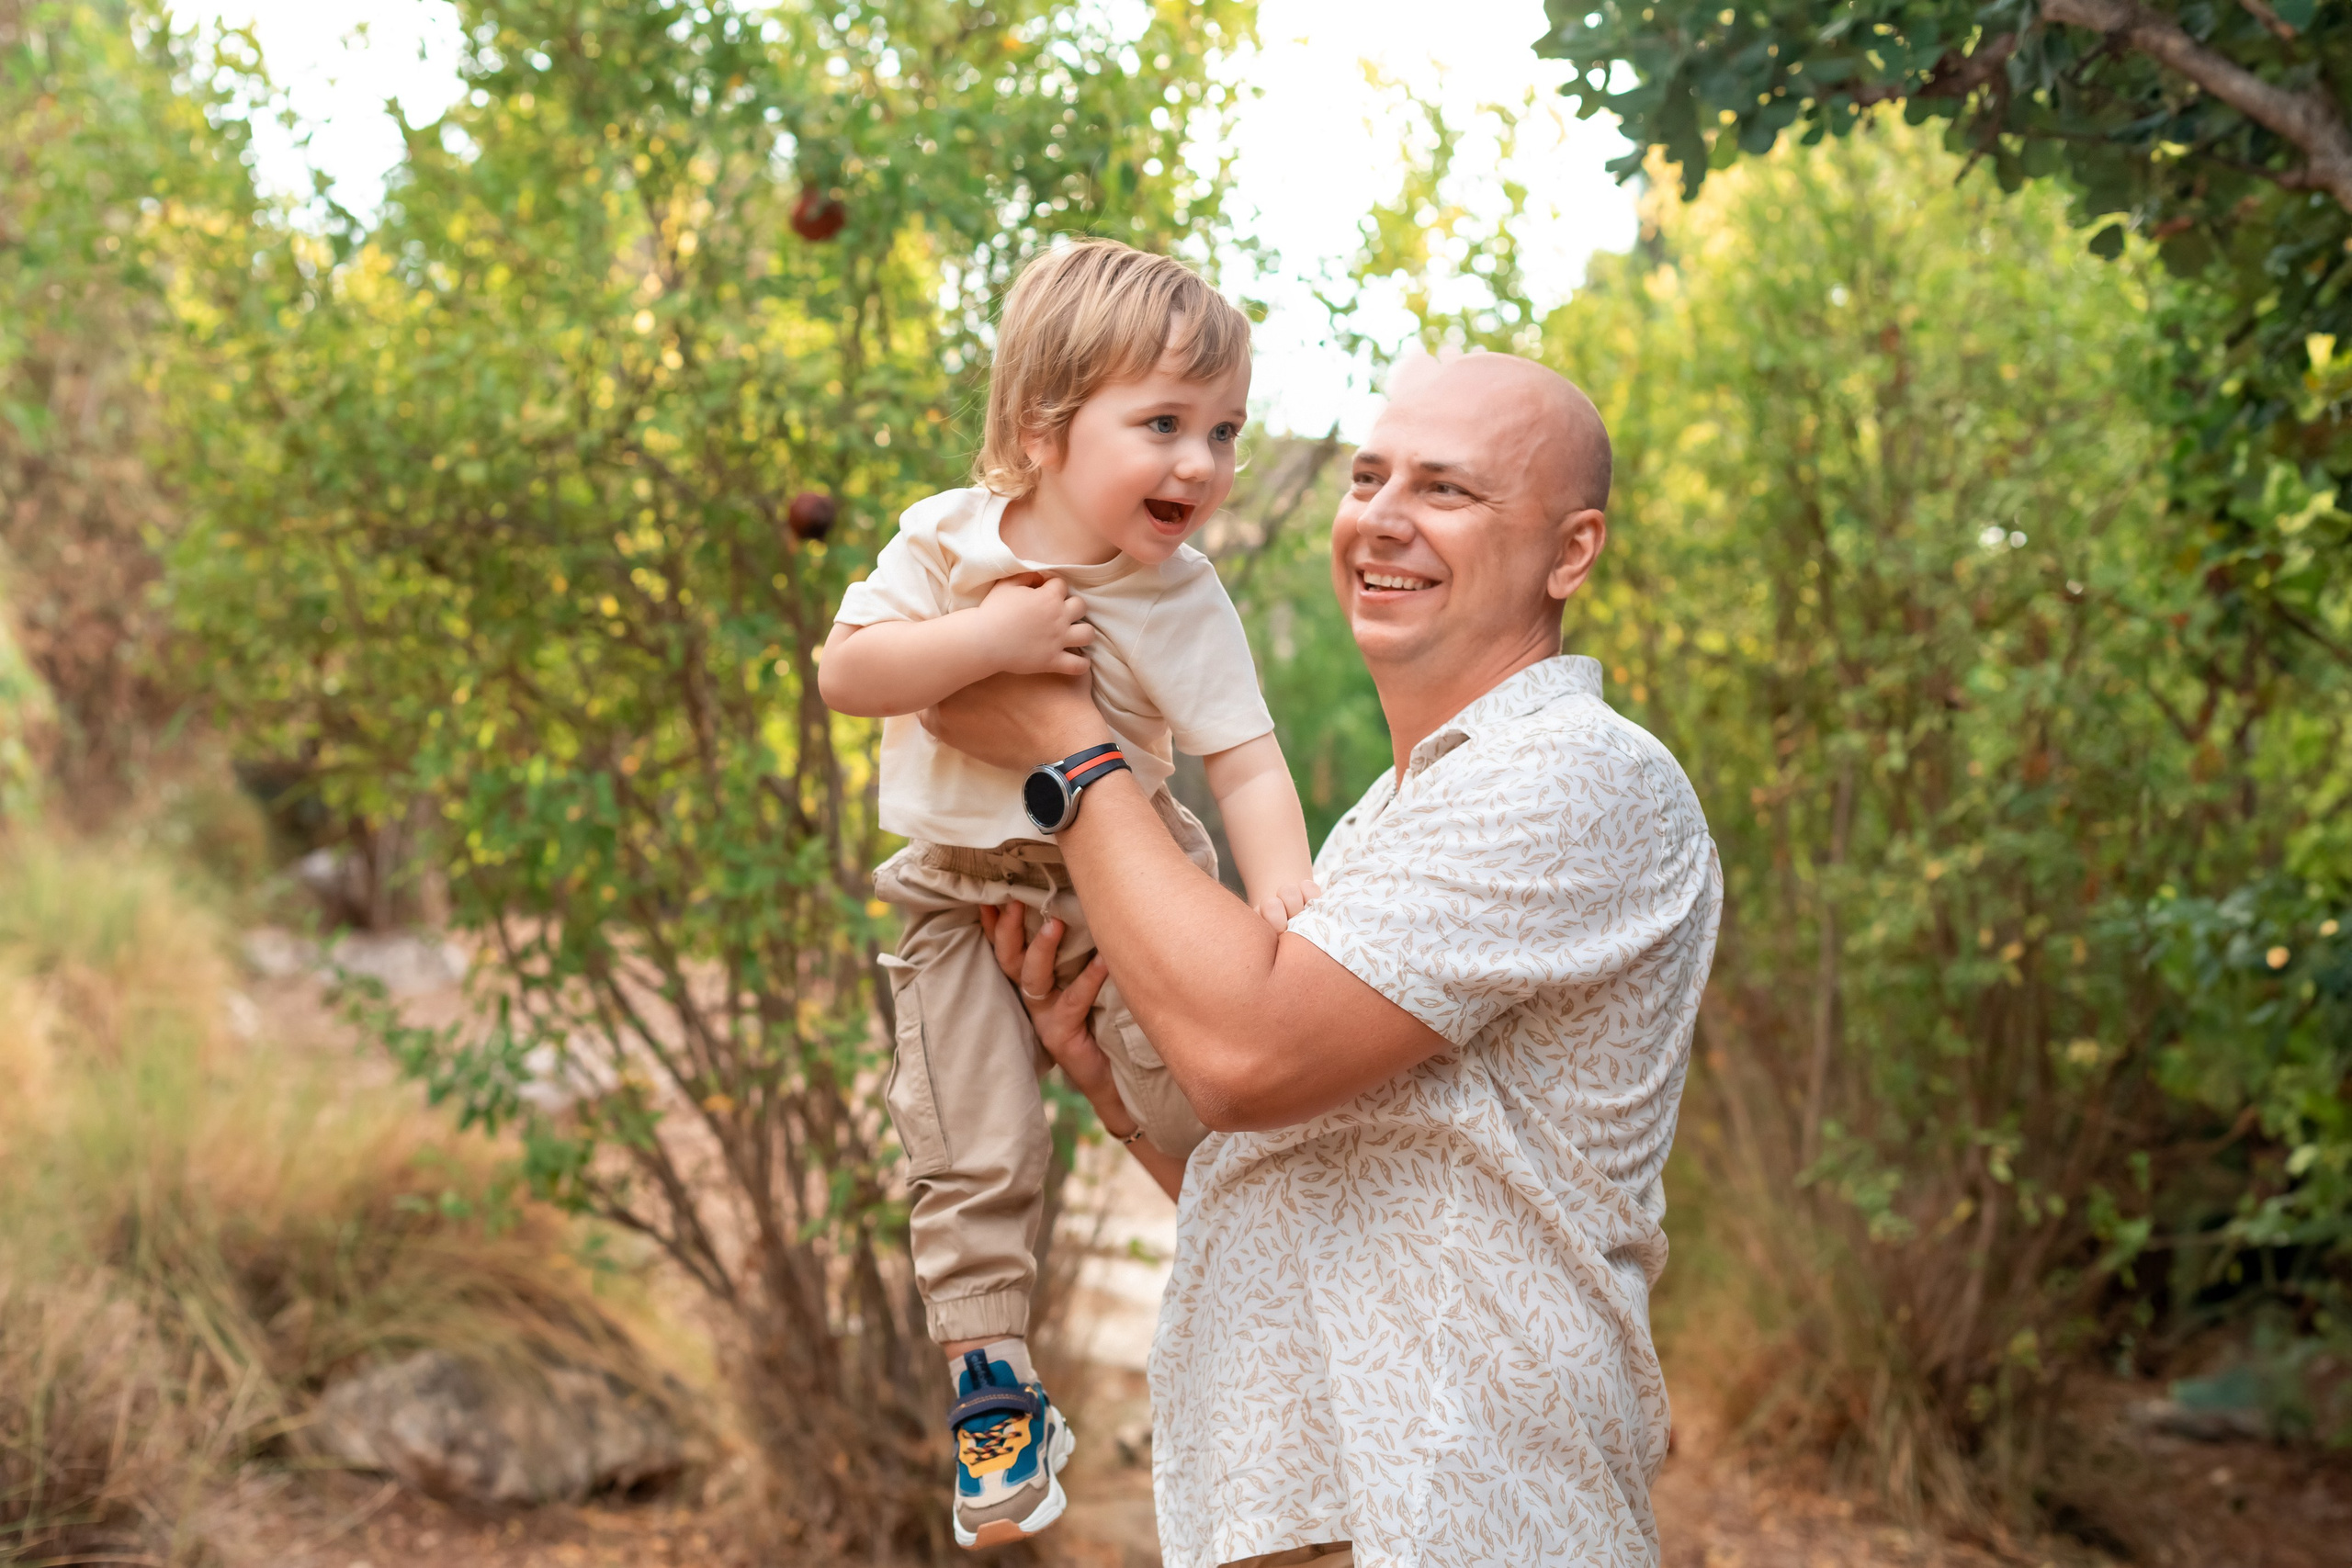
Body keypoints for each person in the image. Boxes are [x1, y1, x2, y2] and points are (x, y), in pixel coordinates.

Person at [934, 351, 1724, 1568]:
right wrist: (1116, 1088)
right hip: (1298, 1521)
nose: (1381, 518)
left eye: (1446, 491)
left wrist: (1068, 748)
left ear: (1571, 553)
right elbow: (1296, 1171)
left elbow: (1250, 1053)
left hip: (1470, 1519)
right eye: (1367, 476)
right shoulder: (1381, 820)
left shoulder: (1580, 775)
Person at [817, 239, 1317, 1551]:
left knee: (1193, 1096)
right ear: (1045, 427)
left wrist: (1282, 899)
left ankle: (1293, 1305)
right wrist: (993, 638)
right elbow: (850, 674)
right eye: (1163, 424)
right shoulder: (944, 538)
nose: (1200, 466)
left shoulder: (1182, 595)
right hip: (952, 891)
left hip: (1121, 887)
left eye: (1224, 432)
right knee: (967, 1144)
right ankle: (996, 1386)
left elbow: (1246, 761)